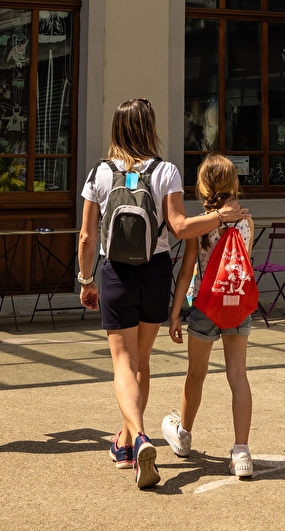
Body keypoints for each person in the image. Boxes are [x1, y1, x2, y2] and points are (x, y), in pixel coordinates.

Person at [77, 98, 248, 490]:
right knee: (142, 362)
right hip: (154, 272)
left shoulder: (99, 173)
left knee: (123, 363)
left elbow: (86, 236)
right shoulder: (165, 171)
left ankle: (135, 438)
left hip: (114, 272)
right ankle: (127, 440)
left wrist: (86, 280)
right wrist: (221, 216)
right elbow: (180, 228)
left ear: (117, 129)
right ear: (150, 128)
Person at [161, 155, 256, 478]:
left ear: (203, 186)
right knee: (238, 376)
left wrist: (175, 313)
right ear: (233, 183)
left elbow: (186, 271)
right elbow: (243, 265)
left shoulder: (200, 225)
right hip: (237, 307)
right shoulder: (247, 222)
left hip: (205, 307)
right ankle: (241, 451)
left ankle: (183, 435)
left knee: (196, 374)